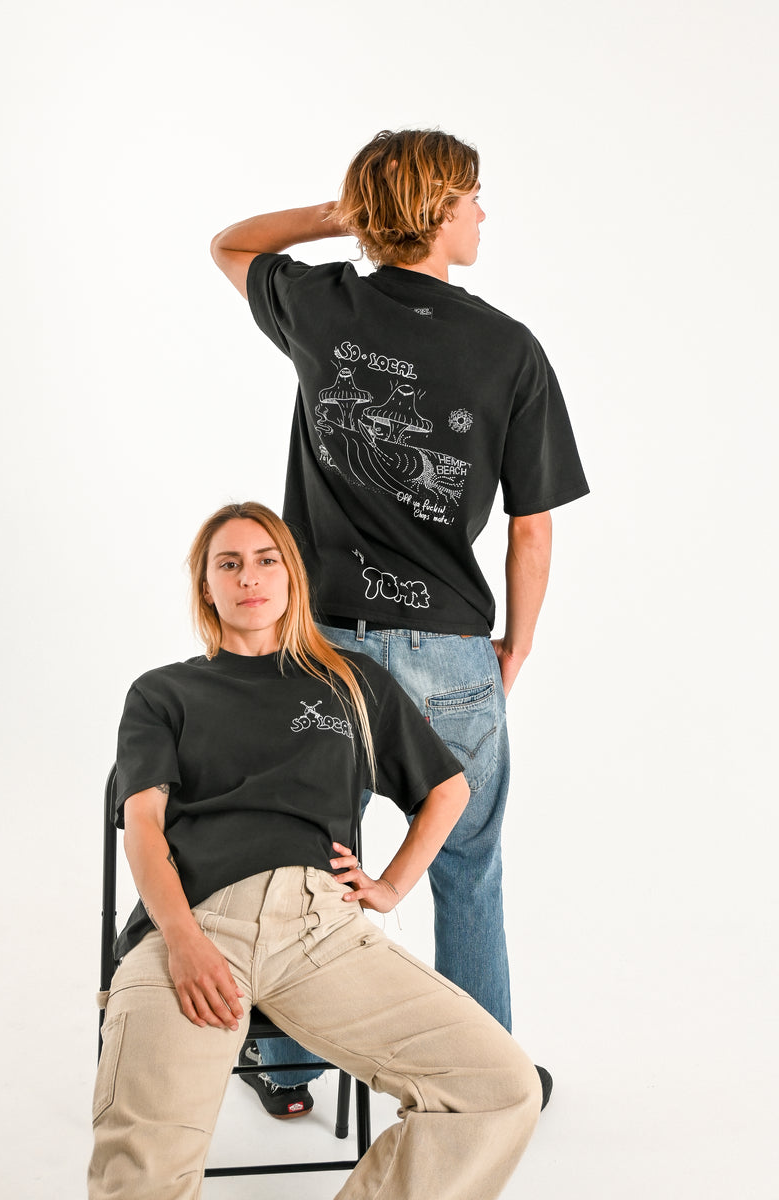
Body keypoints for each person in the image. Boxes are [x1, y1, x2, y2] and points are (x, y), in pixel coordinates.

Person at [210, 128, 589, 1112]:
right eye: (468, 197)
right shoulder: (506, 347)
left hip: (319, 642)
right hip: (449, 649)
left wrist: (344, 219)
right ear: (437, 212)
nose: (480, 214)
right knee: (465, 864)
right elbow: (531, 528)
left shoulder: (323, 306)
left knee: (300, 859)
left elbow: (232, 245)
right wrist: (515, 644)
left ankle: (287, 1070)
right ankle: (486, 1084)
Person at [88, 501, 541, 1200]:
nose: (250, 577)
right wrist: (181, 939)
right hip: (196, 925)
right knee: (142, 1170)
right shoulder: (163, 693)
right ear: (205, 585)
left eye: (268, 560)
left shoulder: (350, 682)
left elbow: (448, 788)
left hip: (320, 931)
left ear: (293, 577)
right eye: (229, 564)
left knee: (500, 1088)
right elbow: (143, 826)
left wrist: (388, 887)